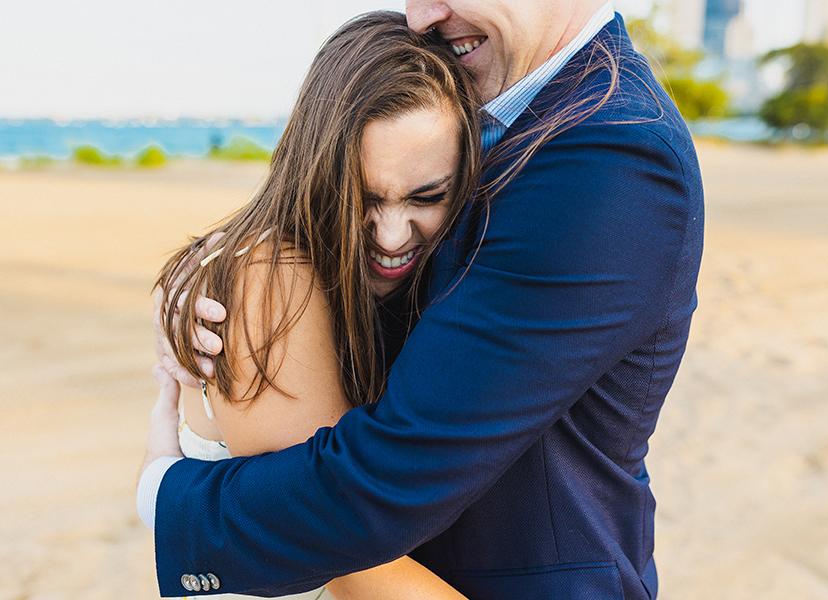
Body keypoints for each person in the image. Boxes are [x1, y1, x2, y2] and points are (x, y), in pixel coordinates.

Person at [139, 0, 705, 598]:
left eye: (427, 196)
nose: (421, 15)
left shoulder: (609, 153)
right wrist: (235, 270)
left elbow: (391, 478)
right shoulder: (497, 117)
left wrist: (167, 496)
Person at [152, 12, 481, 600]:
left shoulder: (404, 280)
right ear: (316, 172)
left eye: (428, 196)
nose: (392, 235)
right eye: (364, 198)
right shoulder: (270, 282)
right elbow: (345, 549)